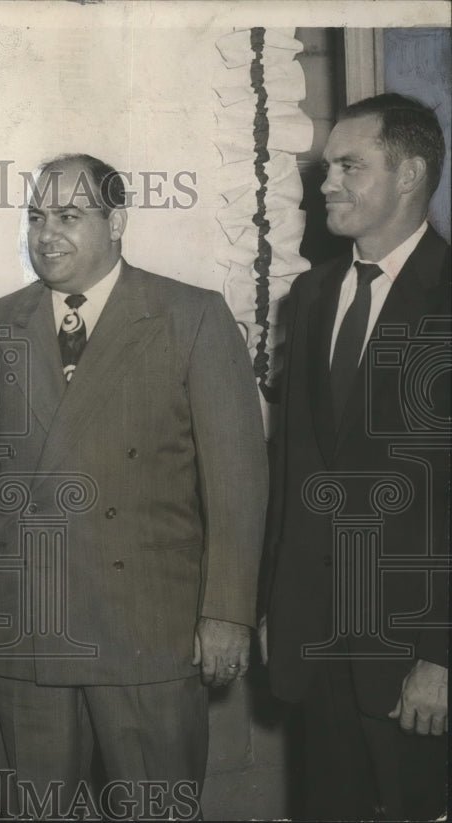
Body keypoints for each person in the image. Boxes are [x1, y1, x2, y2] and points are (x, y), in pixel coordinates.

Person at [0, 153, 268, 819]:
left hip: (149, 628)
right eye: (35, 216)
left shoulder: (190, 316)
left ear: (117, 221)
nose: (46, 233)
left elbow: (237, 481)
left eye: (69, 215)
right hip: (30, 624)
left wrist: (227, 611)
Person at [262, 93, 450, 820]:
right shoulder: (311, 294)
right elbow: (297, 467)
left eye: (350, 165)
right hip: (315, 643)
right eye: (327, 165)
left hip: (413, 652)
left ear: (409, 175)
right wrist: (277, 600)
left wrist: (442, 655)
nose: (327, 181)